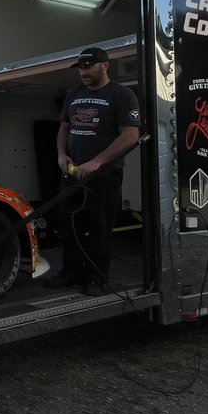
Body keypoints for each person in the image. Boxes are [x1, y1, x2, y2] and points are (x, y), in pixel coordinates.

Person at [46, 47, 141, 295]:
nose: (84, 72)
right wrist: (61, 155)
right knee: (69, 225)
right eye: (80, 67)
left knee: (99, 228)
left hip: (104, 176)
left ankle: (97, 278)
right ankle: (70, 273)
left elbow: (131, 135)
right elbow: (64, 128)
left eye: (89, 66)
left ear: (105, 65)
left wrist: (97, 162)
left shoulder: (122, 95)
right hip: (72, 173)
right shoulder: (74, 94)